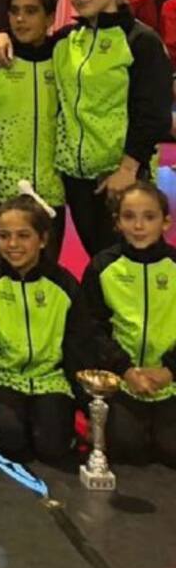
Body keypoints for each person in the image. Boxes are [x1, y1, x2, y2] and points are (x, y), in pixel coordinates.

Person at [0, 0, 173, 255]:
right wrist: (2, 35)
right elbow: (30, 42)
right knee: (99, 261)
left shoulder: (140, 40)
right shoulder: (67, 39)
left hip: (122, 175)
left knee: (131, 259)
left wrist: (128, 168)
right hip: (75, 178)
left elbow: (154, 113)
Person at [0, 196, 98, 463]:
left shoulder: (65, 285)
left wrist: (88, 409)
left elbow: (79, 347)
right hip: (4, 376)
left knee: (52, 447)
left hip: (50, 378)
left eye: (23, 236)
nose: (12, 244)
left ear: (42, 239)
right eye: (4, 236)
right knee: (12, 442)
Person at [83, 182, 176, 467]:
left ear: (166, 222)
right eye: (129, 216)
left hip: (169, 378)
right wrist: (124, 369)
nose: (138, 226)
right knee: (127, 447)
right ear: (117, 223)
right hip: (124, 379)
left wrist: (170, 370)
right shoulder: (102, 267)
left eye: (149, 217)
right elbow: (92, 328)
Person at [0, 0, 65, 257]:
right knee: (6, 265)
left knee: (47, 267)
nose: (20, 19)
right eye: (14, 11)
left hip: (52, 186)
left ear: (50, 17)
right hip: (6, 186)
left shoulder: (64, 60)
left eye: (31, 11)